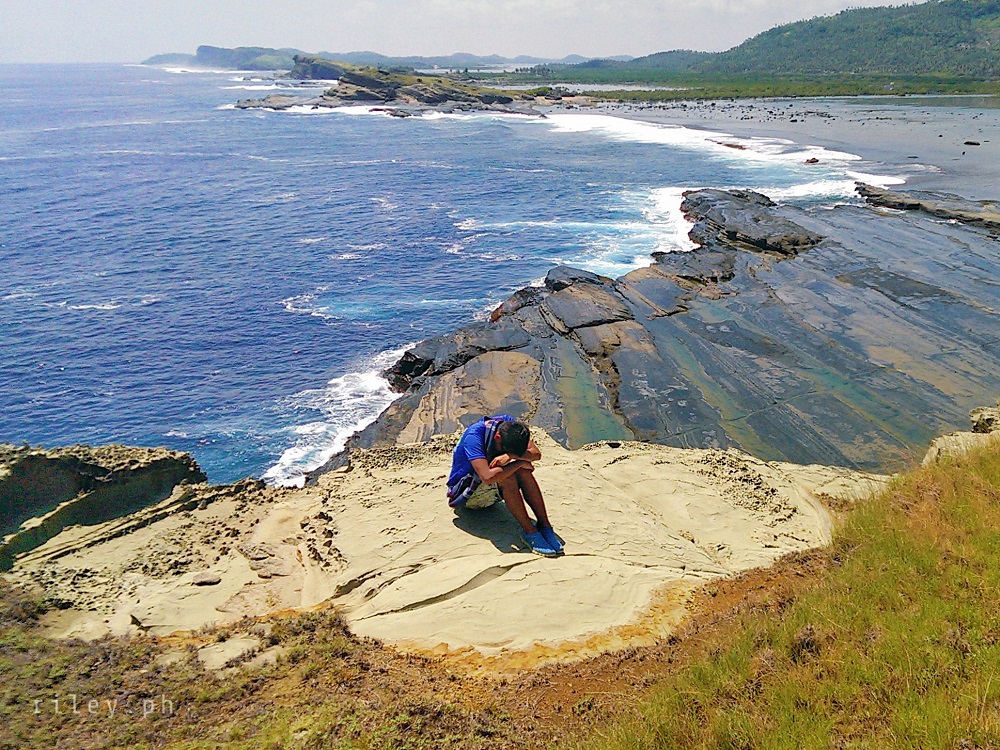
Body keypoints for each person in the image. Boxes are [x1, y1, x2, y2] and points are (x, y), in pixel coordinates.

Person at [447, 415, 563, 557]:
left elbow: (536, 454)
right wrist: (519, 462)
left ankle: (544, 526)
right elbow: (487, 477)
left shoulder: (509, 426)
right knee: (509, 476)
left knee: (524, 472)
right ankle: (529, 532)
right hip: (469, 494)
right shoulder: (474, 436)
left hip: (490, 487)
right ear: (497, 437)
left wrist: (510, 456)